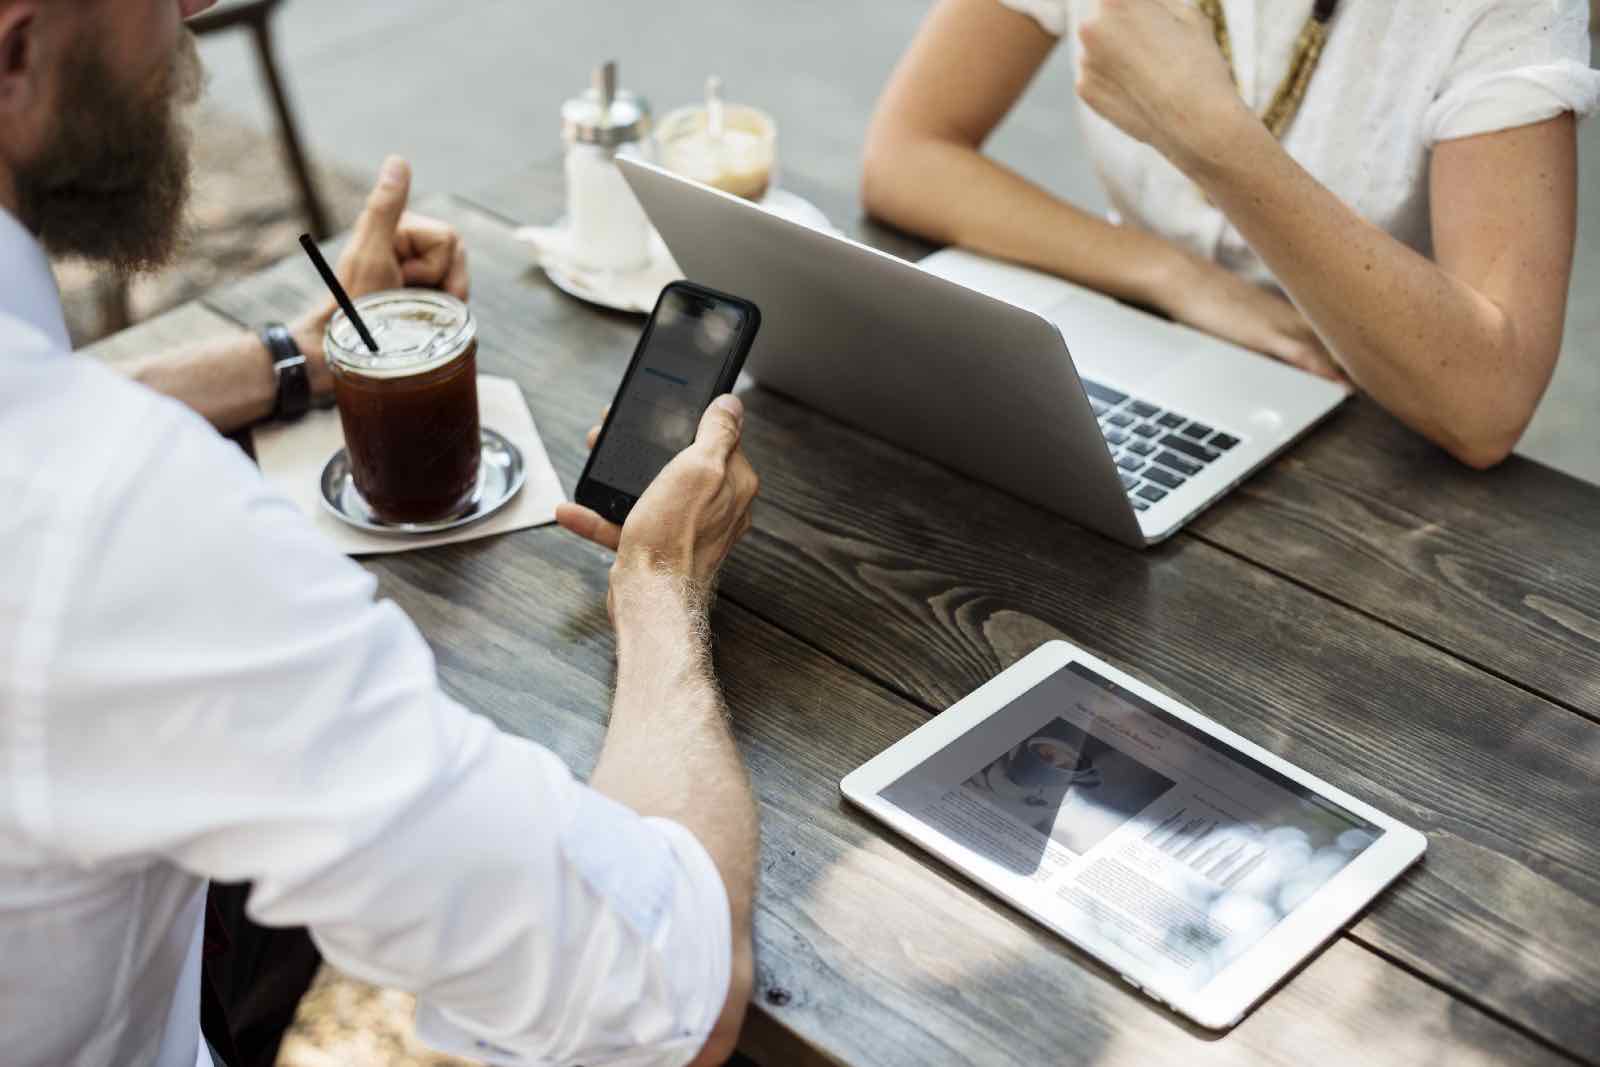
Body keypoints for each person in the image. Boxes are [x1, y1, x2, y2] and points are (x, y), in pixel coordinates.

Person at [0, 4, 760, 1067]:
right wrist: (661, 581)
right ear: (16, 49)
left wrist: (297, 356)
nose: (191, 18)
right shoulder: (114, 514)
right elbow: (666, 989)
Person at [862, 0, 1600, 468]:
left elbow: (1487, 405)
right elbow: (905, 155)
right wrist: (1175, 276)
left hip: (1369, 419)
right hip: (1139, 355)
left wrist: (1212, 138)